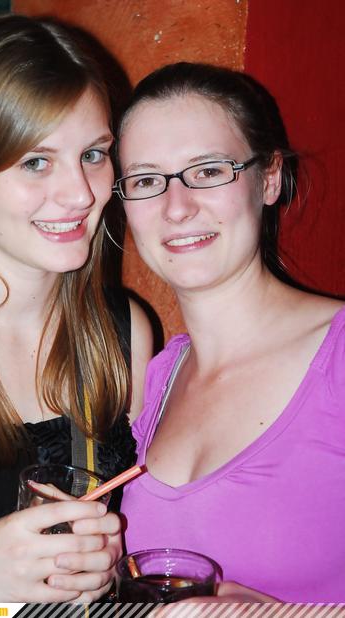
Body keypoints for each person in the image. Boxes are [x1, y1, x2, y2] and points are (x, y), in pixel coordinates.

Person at [0, 14, 153, 602]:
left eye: (94, 154)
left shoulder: (123, 331)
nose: (81, 194)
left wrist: (104, 564)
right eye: (36, 161)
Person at [114, 62, 345, 603]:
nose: (177, 207)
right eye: (146, 180)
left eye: (209, 171)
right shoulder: (161, 375)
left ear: (269, 178)